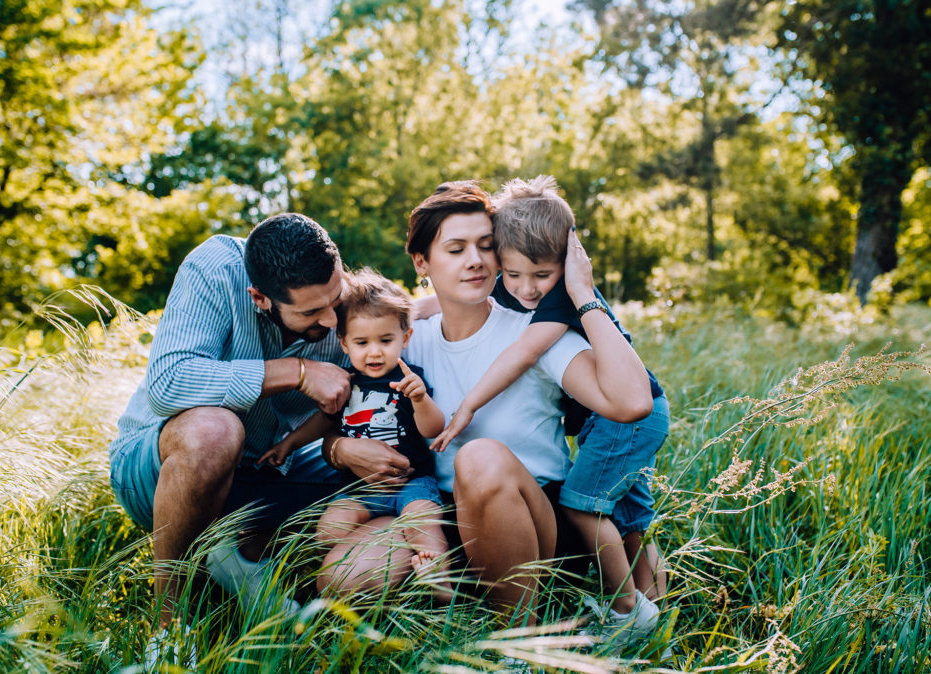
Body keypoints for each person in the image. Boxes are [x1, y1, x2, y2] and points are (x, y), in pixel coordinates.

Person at [320, 181, 654, 625]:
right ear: (421, 262)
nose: (475, 260)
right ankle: (463, 601)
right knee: (342, 577)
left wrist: (584, 294)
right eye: (456, 249)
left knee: (478, 458)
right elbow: (339, 413)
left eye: (485, 246)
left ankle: (521, 637)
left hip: (535, 522)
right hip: (441, 515)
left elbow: (633, 403)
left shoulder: (536, 333)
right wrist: (338, 448)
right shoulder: (398, 342)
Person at [427, 176, 669, 647]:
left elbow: (522, 352)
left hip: (626, 418)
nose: (526, 288)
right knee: (632, 519)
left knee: (584, 505)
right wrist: (409, 311)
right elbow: (444, 299)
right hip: (609, 418)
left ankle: (627, 611)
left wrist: (468, 405)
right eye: (512, 274)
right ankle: (655, 612)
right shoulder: (518, 284)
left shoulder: (558, 300)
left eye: (540, 275)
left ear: (567, 260)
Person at [108, 213, 358, 665]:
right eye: (310, 313)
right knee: (215, 431)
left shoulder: (332, 294)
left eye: (335, 299)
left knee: (381, 465)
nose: (331, 319)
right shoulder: (216, 268)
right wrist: (298, 372)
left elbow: (398, 316)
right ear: (259, 297)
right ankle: (170, 631)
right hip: (156, 469)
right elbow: (169, 383)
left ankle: (244, 561)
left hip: (268, 468)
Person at [257, 269, 451, 597]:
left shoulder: (409, 379)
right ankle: (342, 565)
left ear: (405, 338)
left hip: (412, 482)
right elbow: (324, 421)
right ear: (344, 343)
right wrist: (289, 443)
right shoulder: (344, 382)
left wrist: (420, 399)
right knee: (329, 528)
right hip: (360, 487)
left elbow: (432, 429)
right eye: (362, 343)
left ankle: (438, 580)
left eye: (385, 341)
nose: (374, 352)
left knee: (422, 520)